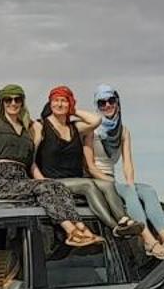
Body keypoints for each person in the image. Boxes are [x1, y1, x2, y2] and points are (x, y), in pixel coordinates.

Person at [0, 85, 105, 248]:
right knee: (45, 188)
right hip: (2, 179)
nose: (13, 103)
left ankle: (82, 229)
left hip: (22, 177)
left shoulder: (26, 129)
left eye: (17, 100)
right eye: (8, 100)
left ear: (22, 103)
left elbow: (31, 163)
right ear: (2, 103)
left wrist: (44, 181)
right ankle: (71, 231)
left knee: (56, 186)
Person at [34, 86, 143, 239]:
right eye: (56, 101)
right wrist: (41, 181)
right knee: (88, 185)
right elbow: (31, 157)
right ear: (50, 104)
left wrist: (73, 110)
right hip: (54, 181)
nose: (59, 104)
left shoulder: (75, 127)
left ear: (70, 103)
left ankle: (124, 220)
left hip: (75, 179)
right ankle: (114, 227)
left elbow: (96, 120)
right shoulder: (41, 126)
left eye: (64, 101)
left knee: (107, 184)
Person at [84, 84, 164, 257]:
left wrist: (129, 182)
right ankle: (149, 241)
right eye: (101, 103)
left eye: (111, 101)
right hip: (97, 179)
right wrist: (117, 185)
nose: (107, 106)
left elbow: (128, 163)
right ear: (96, 106)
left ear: (117, 103)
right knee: (129, 192)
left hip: (113, 179)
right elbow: (89, 165)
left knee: (147, 190)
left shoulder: (123, 131)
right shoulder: (92, 130)